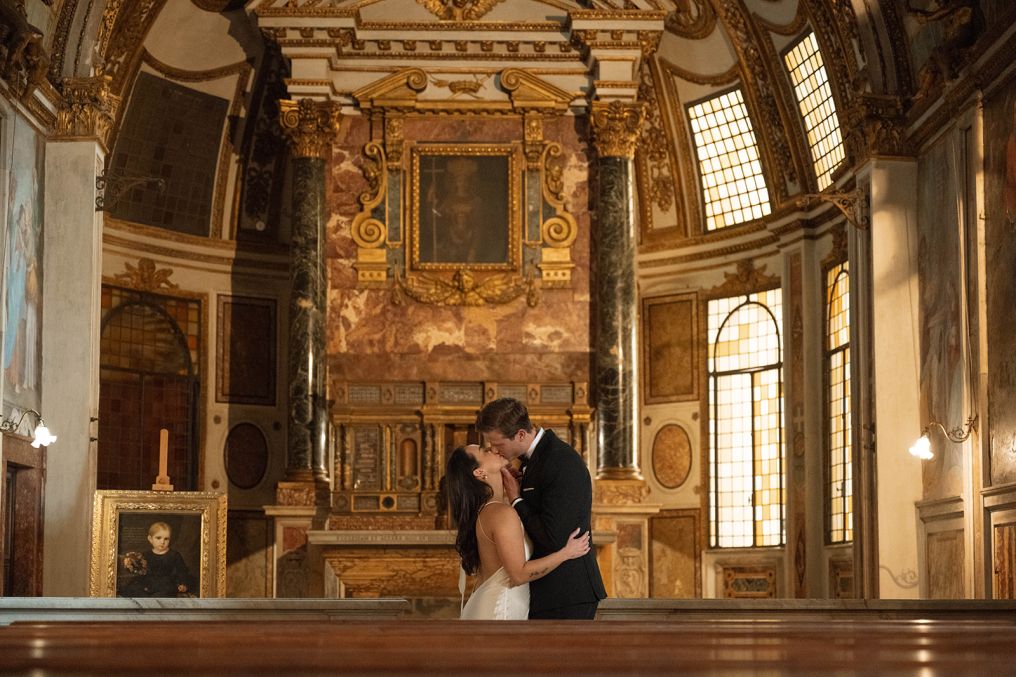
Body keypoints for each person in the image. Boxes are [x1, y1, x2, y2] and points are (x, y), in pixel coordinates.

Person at [476, 397, 607, 619]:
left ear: (519, 434)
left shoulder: (560, 461)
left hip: (567, 593)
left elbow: (553, 537)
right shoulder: (534, 461)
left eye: (498, 445)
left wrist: (516, 499)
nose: (495, 450)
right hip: (547, 591)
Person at [445, 444, 590, 620]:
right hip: (499, 612)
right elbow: (518, 575)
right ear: (479, 472)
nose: (493, 449)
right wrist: (566, 553)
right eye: (485, 451)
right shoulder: (501, 513)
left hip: (490, 606)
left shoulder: (488, 511)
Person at [119, 522, 197, 598]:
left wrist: (183, 583)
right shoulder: (146, 555)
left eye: (166, 539)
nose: (162, 542)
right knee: (133, 589)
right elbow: (138, 568)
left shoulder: (174, 555)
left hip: (166, 583)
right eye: (158, 538)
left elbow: (182, 571)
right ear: (150, 539)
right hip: (148, 582)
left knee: (164, 593)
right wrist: (130, 562)